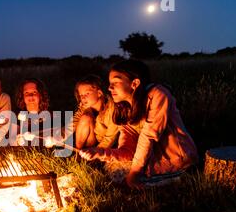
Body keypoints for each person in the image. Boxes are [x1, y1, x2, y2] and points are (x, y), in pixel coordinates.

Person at [79, 60, 198, 188]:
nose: (109, 88)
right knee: (112, 169)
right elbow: (127, 150)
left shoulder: (158, 94)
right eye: (109, 84)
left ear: (134, 83)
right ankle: (147, 177)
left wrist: (134, 173)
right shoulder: (124, 108)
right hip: (150, 156)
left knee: (126, 177)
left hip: (177, 157)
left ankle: (183, 175)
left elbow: (148, 136)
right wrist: (99, 152)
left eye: (115, 82)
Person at [14, 78, 51, 146]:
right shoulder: (17, 116)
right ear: (22, 96)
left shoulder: (49, 115)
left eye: (34, 92)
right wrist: (17, 140)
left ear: (40, 95)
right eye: (26, 93)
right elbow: (13, 139)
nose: (30, 96)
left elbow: (52, 140)